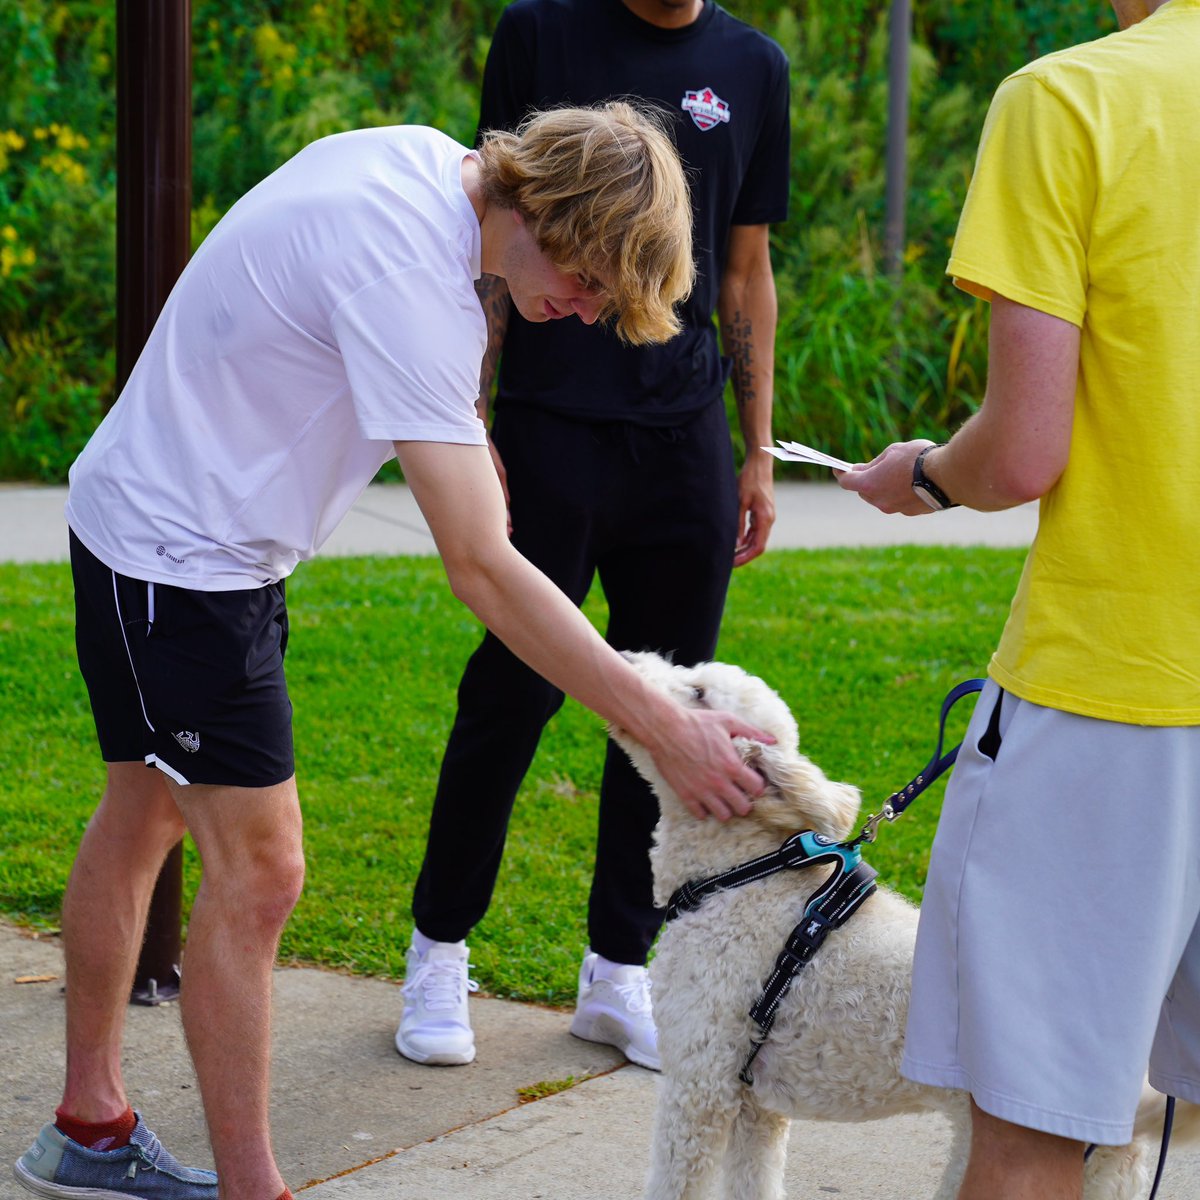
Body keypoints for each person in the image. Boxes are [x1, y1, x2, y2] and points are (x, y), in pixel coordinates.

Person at [11, 102, 777, 1200]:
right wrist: (662, 725)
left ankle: (87, 1128)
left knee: (143, 814)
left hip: (169, 527)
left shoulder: (423, 166)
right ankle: (252, 1189)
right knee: (263, 871)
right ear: (552, 215)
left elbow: (404, 339)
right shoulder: (409, 283)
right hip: (182, 563)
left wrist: (463, 429)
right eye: (591, 281)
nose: (585, 311)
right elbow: (483, 570)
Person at [837, 1, 1200, 1195]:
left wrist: (928, 473)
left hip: (1115, 692)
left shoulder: (1068, 100)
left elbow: (1024, 449)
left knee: (1034, 1135)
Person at [397, 0, 789, 1073]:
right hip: (550, 419)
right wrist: (475, 416)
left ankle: (618, 968)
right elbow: (491, 240)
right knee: (513, 688)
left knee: (665, 702)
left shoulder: (754, 65)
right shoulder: (540, 32)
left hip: (684, 430)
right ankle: (439, 949)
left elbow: (745, 269)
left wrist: (755, 448)